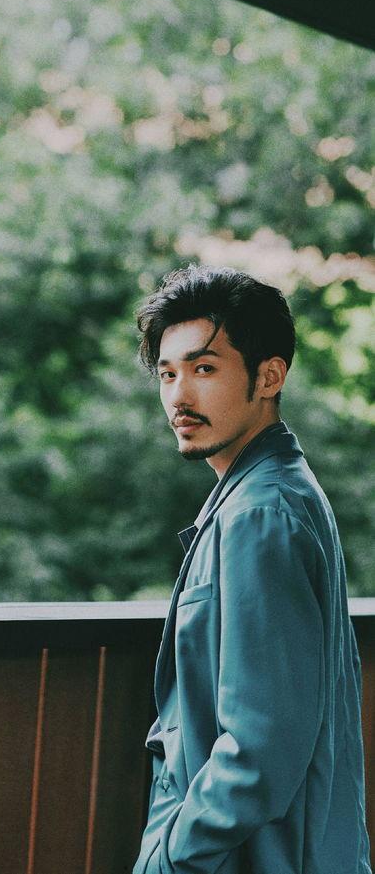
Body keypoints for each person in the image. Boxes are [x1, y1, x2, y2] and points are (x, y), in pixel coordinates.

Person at [132, 265, 372, 874]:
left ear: (269, 376)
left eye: (204, 369)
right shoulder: (263, 493)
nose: (179, 397)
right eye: (168, 373)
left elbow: (260, 748)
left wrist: (169, 857)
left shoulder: (261, 513)